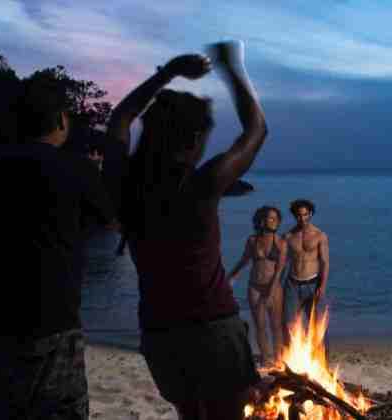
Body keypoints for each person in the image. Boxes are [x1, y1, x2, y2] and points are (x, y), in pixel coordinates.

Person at [106, 40, 267, 420]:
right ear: (195, 139)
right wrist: (232, 68)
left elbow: (119, 120)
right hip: (212, 329)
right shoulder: (200, 185)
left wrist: (167, 72)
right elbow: (257, 131)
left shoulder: (125, 183)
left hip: (160, 334)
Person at [0, 75, 117, 419]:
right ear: (59, 120)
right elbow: (111, 220)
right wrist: (96, 174)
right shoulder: (74, 168)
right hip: (52, 322)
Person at [226, 206, 287, 364]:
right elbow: (244, 260)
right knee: (259, 325)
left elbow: (279, 270)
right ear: (262, 220)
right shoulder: (252, 240)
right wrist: (229, 276)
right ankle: (267, 359)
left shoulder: (280, 242)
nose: (274, 221)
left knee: (276, 326)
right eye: (270, 218)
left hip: (273, 287)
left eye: (276, 219)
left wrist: (270, 291)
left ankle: (279, 359)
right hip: (255, 286)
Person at [282, 199, 330, 345]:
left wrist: (322, 286)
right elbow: (282, 263)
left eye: (305, 215)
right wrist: (275, 285)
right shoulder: (288, 236)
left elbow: (325, 262)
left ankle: (322, 361)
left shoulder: (320, 235)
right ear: (294, 216)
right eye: (299, 215)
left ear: (310, 214)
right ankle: (294, 359)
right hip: (292, 285)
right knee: (289, 323)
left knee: (317, 324)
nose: (302, 218)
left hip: (313, 284)